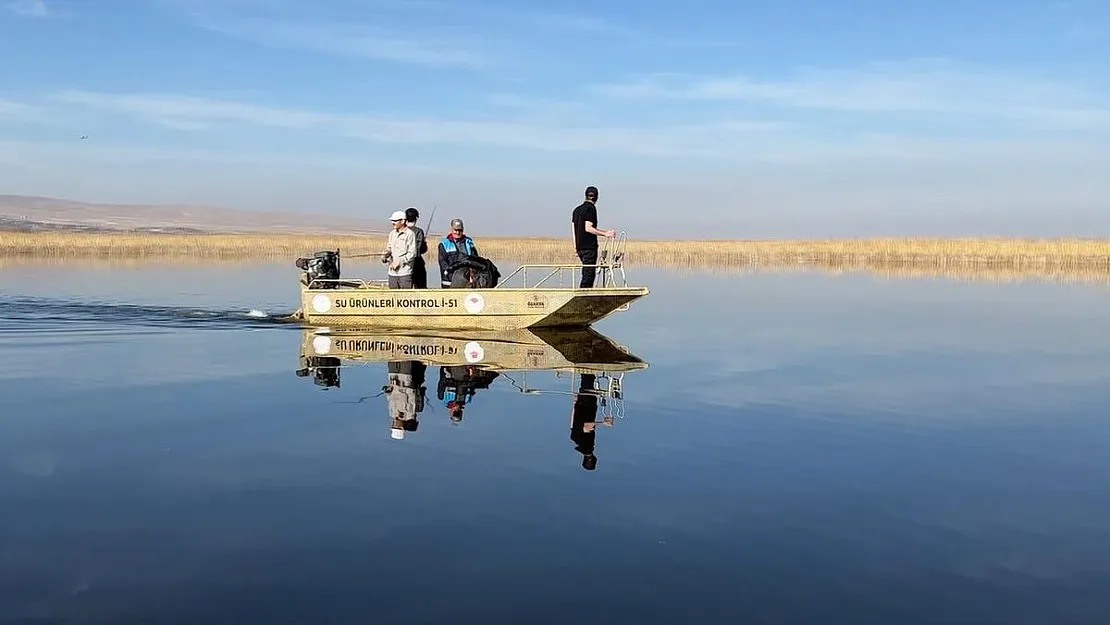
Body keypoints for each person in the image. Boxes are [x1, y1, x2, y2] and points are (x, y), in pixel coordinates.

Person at [571, 185, 615, 288]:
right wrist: (606, 233)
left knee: (586, 273)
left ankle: (583, 296)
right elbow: (588, 228)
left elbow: (574, 230)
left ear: (585, 196)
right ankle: (583, 299)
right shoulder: (591, 208)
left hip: (580, 248)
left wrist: (575, 248)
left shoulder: (576, 210)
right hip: (589, 248)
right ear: (597, 197)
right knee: (588, 276)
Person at [437, 218, 479, 288]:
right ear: (451, 229)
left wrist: (473, 276)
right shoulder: (444, 244)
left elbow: (475, 260)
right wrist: (453, 276)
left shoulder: (469, 243)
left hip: (467, 281)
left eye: (460, 230)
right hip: (449, 282)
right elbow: (443, 264)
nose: (457, 232)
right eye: (455, 230)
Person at [382, 210, 416, 288]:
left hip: (405, 273)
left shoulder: (410, 234)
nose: (393, 223)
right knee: (393, 297)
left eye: (395, 221)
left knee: (405, 298)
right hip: (392, 273)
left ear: (402, 221)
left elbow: (412, 253)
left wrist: (400, 262)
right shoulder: (392, 234)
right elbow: (389, 248)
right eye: (392, 221)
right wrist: (386, 254)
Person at [404, 207, 429, 289]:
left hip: (404, 264)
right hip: (417, 263)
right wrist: (424, 243)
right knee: (421, 288)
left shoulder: (402, 231)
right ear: (416, 218)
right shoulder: (419, 232)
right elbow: (421, 250)